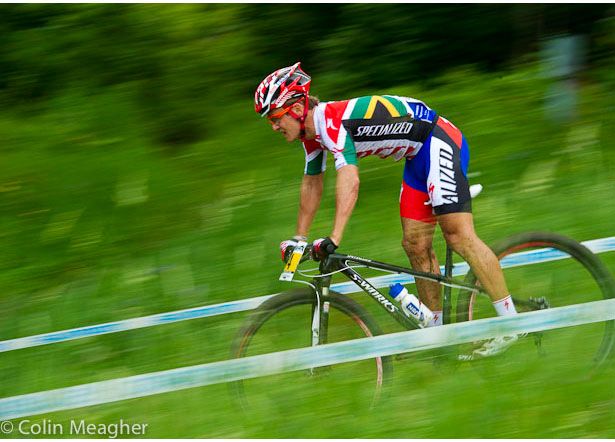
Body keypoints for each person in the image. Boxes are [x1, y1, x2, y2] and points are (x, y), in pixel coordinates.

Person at [254, 62, 520, 359]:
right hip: (416, 156)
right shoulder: (311, 136)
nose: (274, 126)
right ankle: (439, 331)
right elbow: (312, 182)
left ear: (297, 107)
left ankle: (513, 322)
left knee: (458, 237)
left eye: (276, 117)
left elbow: (350, 179)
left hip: (438, 140)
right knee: (415, 244)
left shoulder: (330, 122)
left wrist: (335, 237)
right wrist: (299, 238)